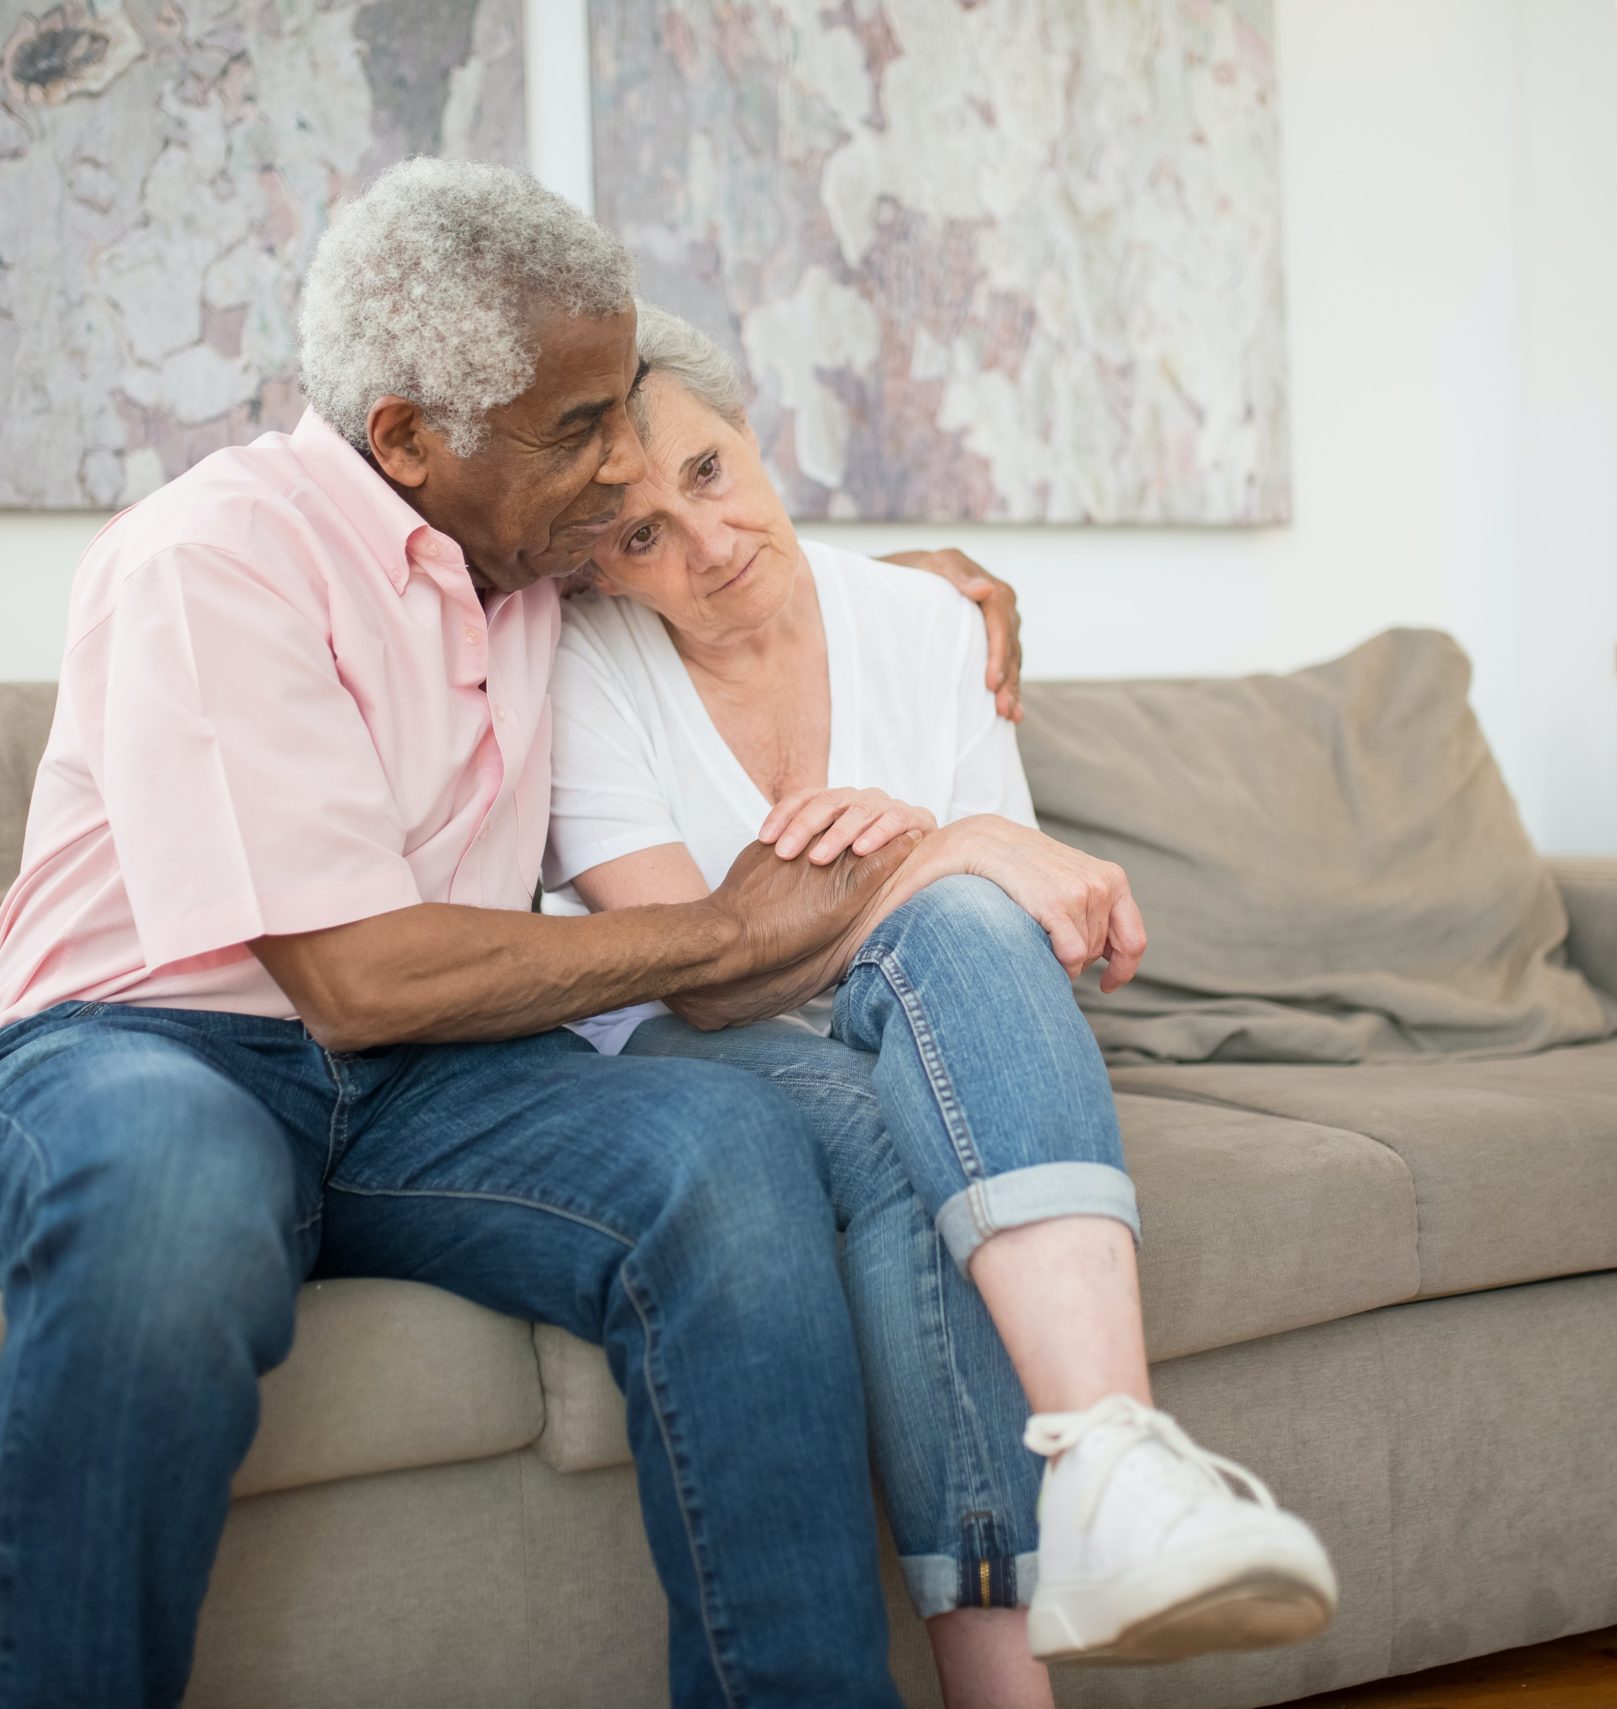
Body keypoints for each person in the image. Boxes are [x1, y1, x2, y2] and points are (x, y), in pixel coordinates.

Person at [0, 160, 1021, 1709]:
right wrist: (715, 934)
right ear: (407, 437)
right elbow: (356, 973)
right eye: (579, 430)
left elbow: (726, 565)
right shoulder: (209, 557)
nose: (613, 467)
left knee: (728, 1151)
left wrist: (926, 590)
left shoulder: (527, 556)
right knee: (173, 1193)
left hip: (424, 1083)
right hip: (134, 1049)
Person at [541, 306, 1341, 1707]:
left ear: (751, 432)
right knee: (920, 1051)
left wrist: (944, 865)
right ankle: (1082, 1542)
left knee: (949, 977)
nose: (708, 543)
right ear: (598, 566)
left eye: (710, 474)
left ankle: (1114, 1463)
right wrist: (941, 851)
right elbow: (697, 971)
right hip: (671, 1051)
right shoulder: (586, 664)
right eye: (639, 535)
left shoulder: (925, 621)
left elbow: (990, 935)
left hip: (886, 1026)